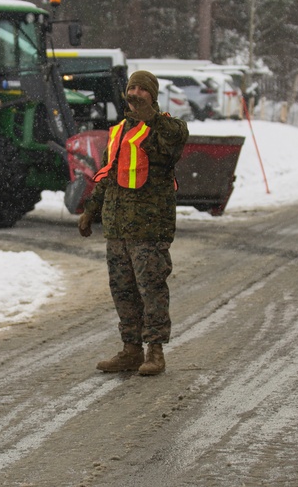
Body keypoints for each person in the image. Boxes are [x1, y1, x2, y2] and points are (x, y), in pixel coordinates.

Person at [78, 70, 189, 376]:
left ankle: (155, 352)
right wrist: (91, 211)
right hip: (117, 228)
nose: (135, 93)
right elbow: (107, 176)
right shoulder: (118, 133)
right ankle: (130, 350)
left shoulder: (164, 128)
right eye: (132, 88)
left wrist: (150, 117)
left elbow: (178, 137)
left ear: (153, 96)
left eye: (143, 89)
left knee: (151, 289)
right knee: (123, 290)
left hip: (148, 228)